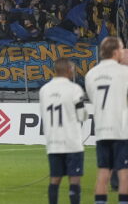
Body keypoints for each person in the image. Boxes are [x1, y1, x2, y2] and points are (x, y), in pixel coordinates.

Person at [85, 36, 128, 204]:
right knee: (124, 172)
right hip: (121, 128)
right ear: (116, 51)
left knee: (103, 172)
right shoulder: (124, 72)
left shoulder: (91, 74)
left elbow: (93, 98)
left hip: (102, 127)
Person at [40, 58, 88, 204]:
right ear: (69, 70)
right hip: (71, 141)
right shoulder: (74, 89)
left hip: (54, 142)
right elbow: (81, 115)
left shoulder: (44, 90)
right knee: (74, 179)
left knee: (55, 179)